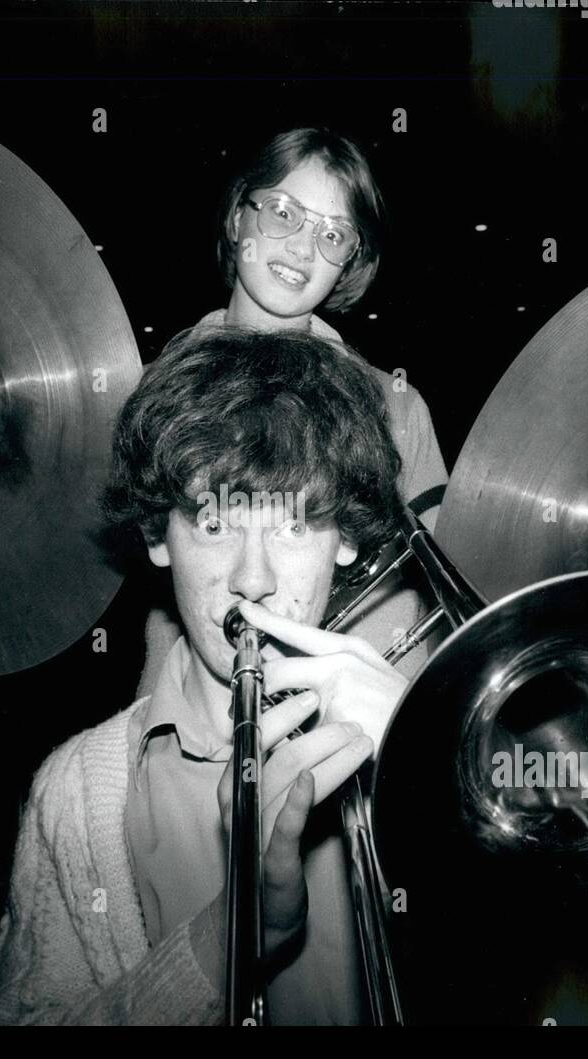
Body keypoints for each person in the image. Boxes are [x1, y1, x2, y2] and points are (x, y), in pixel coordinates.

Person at [0, 327, 410, 1025]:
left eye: (294, 526)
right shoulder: (80, 790)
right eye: (213, 524)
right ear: (157, 537)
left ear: (349, 539)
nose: (254, 581)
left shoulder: (414, 735)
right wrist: (228, 939)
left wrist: (434, 769)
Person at [136, 127, 449, 697]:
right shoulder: (158, 395)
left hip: (368, 710)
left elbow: (441, 580)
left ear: (348, 264)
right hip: (199, 713)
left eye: (334, 234)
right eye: (283, 212)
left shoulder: (395, 407)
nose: (303, 248)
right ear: (237, 219)